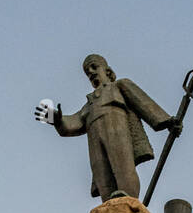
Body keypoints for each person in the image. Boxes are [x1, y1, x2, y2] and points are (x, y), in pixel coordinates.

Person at [35, 54, 181, 202]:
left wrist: (168, 121)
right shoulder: (89, 104)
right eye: (87, 71)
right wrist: (57, 119)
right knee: (102, 171)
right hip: (94, 134)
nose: (91, 72)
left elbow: (143, 103)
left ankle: (128, 197)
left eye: (94, 67)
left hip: (117, 126)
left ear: (108, 71)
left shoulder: (119, 86)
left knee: (121, 163)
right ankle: (109, 204)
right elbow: (74, 122)